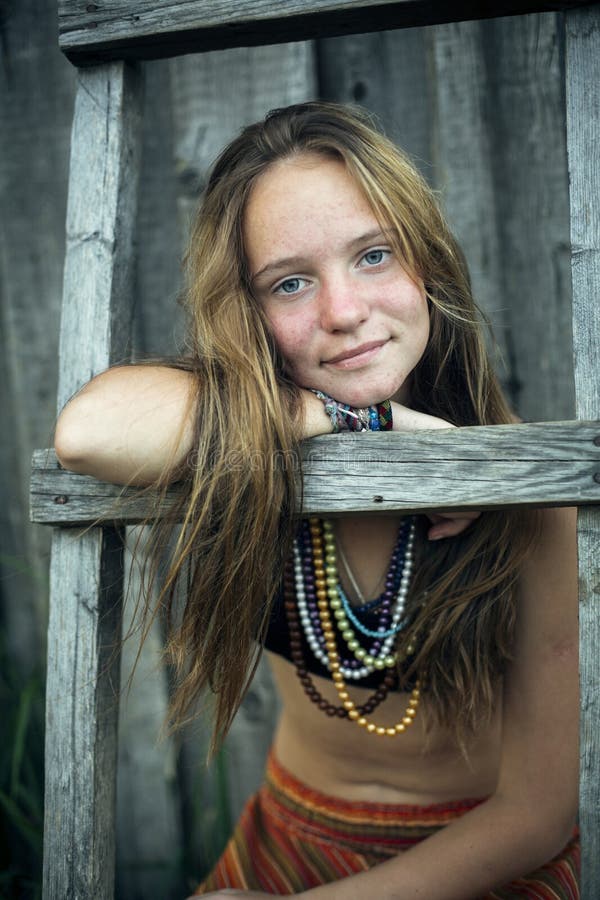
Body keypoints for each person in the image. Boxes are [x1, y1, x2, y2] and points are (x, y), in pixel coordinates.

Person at [54, 102, 579, 899]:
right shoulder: (252, 453)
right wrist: (365, 418)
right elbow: (91, 429)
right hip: (288, 831)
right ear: (251, 314)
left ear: (428, 265)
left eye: (374, 256)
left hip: (474, 859)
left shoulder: (532, 500)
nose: (342, 312)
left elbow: (539, 814)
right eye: (290, 282)